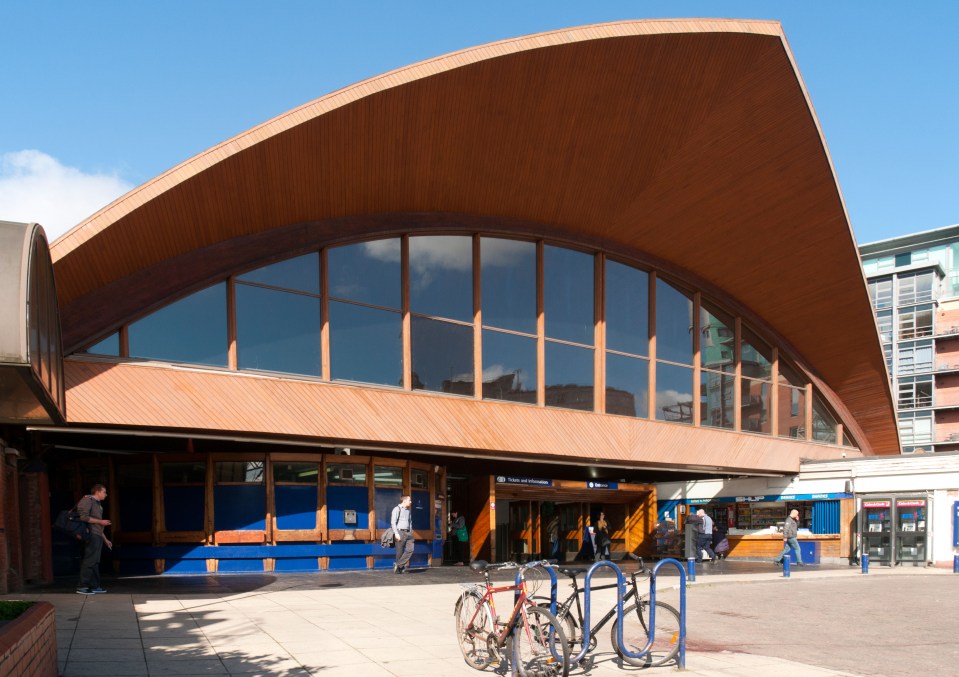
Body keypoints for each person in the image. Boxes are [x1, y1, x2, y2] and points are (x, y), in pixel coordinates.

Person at [76, 484, 112, 595]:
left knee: (95, 561)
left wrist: (105, 539)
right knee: (89, 560)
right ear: (97, 492)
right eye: (104, 492)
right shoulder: (88, 500)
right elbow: (83, 517)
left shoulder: (97, 503)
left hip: (97, 534)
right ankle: (82, 586)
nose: (105, 494)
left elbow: (98, 526)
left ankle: (95, 585)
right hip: (91, 534)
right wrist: (100, 522)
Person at [391, 495, 415, 574]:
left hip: (408, 533)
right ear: (404, 501)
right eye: (409, 500)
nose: (411, 502)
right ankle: (399, 569)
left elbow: (410, 522)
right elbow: (393, 522)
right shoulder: (396, 509)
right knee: (399, 552)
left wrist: (411, 531)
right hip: (400, 532)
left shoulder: (408, 511)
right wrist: (396, 533)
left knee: (410, 549)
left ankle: (398, 564)